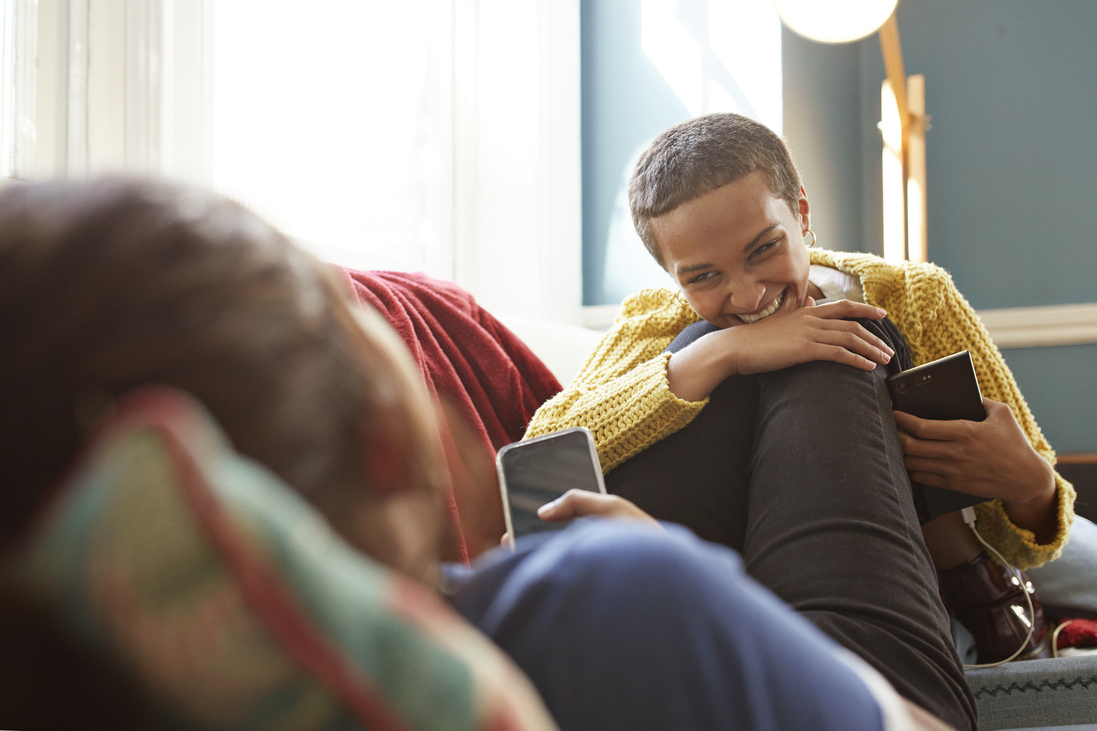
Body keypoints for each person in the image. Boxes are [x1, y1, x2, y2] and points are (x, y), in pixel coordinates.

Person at [0, 178, 952, 730]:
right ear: (386, 440)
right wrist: (709, 600)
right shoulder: (592, 607)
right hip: (874, 677)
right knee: (819, 318)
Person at [523, 113, 1077, 731]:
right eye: (703, 276)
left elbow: (1036, 541)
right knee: (696, 338)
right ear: (670, 277)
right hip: (710, 572)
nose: (749, 295)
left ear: (803, 215)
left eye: (764, 249)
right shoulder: (653, 325)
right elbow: (541, 455)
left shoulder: (917, 298)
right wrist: (718, 353)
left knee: (855, 337)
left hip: (888, 577)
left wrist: (1030, 484)